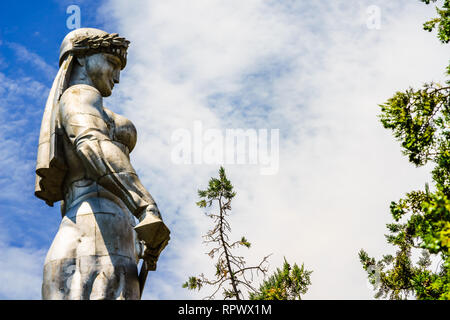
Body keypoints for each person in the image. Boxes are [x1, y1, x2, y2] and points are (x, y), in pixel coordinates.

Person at [35, 28, 169, 300]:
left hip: (93, 231)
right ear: (82, 58)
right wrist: (146, 208)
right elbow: (91, 143)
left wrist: (137, 240)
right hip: (99, 233)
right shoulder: (79, 95)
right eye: (112, 62)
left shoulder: (79, 101)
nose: (117, 77)